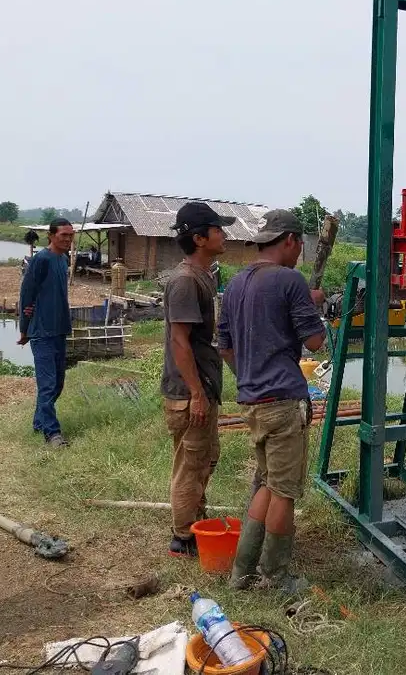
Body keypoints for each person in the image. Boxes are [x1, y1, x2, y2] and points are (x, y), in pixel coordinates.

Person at [221, 209, 326, 592]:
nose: (300, 253)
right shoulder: (289, 280)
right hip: (283, 403)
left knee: (265, 483)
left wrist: (251, 378)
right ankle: (274, 577)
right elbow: (314, 342)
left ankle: (241, 572)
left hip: (253, 402)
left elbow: (225, 346)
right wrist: (314, 304)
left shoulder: (235, 284)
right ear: (290, 241)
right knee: (284, 491)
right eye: (300, 245)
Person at [163, 202, 234, 557]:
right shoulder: (186, 282)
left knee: (206, 457)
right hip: (190, 390)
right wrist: (196, 394)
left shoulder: (204, 275)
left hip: (202, 385)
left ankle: (194, 521)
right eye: (218, 229)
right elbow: (179, 340)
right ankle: (182, 538)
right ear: (199, 237)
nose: (224, 234)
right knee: (190, 464)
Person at [19, 218, 74, 447]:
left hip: (59, 330)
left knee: (58, 383)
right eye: (64, 235)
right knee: (48, 384)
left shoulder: (63, 259)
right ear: (51, 236)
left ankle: (39, 422)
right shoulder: (41, 259)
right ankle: (52, 434)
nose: (68, 239)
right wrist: (24, 329)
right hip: (41, 332)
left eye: (71, 235)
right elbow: (26, 295)